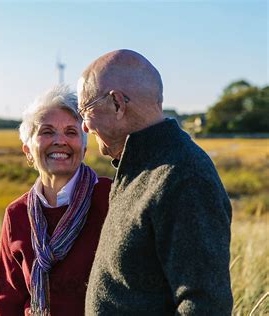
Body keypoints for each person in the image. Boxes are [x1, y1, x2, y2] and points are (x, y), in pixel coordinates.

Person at [77, 49, 233, 315]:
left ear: (117, 104)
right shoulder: (141, 167)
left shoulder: (183, 176)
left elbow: (205, 305)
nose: (84, 127)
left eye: (85, 110)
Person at [0, 85, 112, 316]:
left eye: (71, 132)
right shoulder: (17, 214)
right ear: (27, 150)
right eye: (47, 132)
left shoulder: (110, 198)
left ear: (84, 146)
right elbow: (8, 303)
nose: (60, 141)